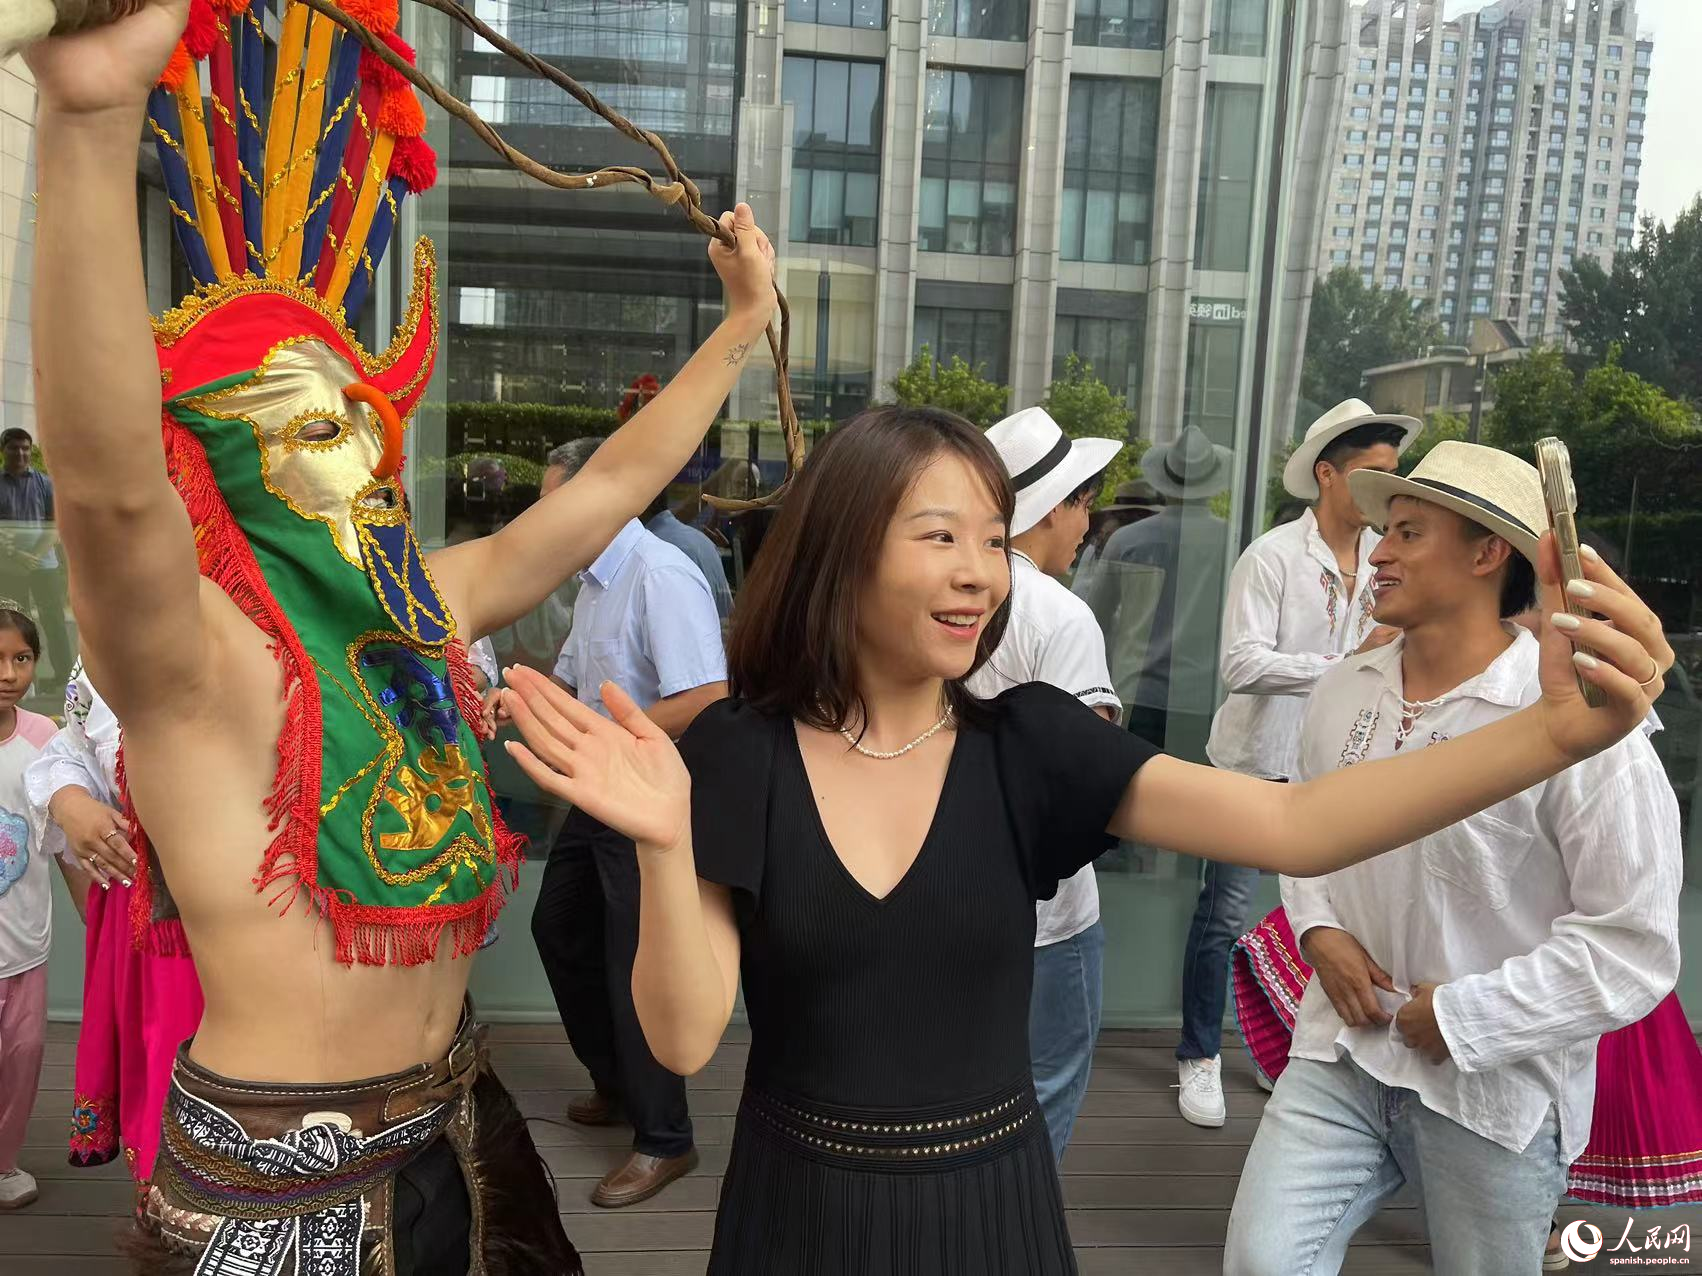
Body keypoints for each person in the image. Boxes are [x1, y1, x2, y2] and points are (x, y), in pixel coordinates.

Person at [496, 406, 1671, 1275]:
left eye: (994, 539)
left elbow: (1291, 821)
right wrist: (660, 837)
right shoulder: (741, 755)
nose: (976, 574)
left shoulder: (1032, 746)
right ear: (842, 548)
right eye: (939, 537)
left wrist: (1553, 737)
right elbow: (686, 1035)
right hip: (800, 1211)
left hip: (993, 1208)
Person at [25, 1, 775, 1268]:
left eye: (367, 433)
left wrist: (742, 328)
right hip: (280, 1192)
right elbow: (104, 484)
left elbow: (599, 497)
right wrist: (92, 121)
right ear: (219, 471)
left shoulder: (422, 601)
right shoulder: (193, 657)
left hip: (458, 1125)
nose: (369, 465)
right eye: (321, 434)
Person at [1223, 442, 1683, 1276]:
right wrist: (1317, 927)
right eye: (1381, 531)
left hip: (1493, 1088)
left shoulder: (1583, 723)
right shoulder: (1343, 687)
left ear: (1485, 554)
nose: (1379, 552)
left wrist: (1466, 1018)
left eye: (1406, 532)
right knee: (1263, 1261)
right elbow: (1306, 826)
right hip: (1343, 1051)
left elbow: (1635, 944)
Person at [1175, 401, 1418, 1129]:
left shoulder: (1387, 560)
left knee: (1324, 921)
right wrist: (1342, 666)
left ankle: (1281, 1049)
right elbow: (1239, 663)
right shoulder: (1273, 555)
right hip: (1253, 765)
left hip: (1335, 771)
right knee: (1223, 916)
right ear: (1326, 474)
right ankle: (1198, 1056)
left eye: (1393, 478)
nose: (1386, 493)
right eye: (1374, 476)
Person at [534, 439, 729, 1207]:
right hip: (599, 793)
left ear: (606, 496)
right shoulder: (592, 579)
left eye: (556, 500)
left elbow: (707, 697)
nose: (544, 517)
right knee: (558, 931)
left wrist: (608, 740)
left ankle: (664, 1140)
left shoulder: (659, 573)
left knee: (633, 966)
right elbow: (576, 677)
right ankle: (616, 1082)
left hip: (646, 799)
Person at [963, 407, 1122, 1165]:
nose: (1087, 524)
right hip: (1046, 915)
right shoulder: (1059, 614)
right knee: (1047, 1086)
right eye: (1084, 502)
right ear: (1055, 506)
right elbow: (1083, 778)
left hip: (942, 898)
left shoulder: (944, 594)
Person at [24, 664, 205, 1182]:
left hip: (257, 909)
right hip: (146, 912)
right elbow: (74, 750)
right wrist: (71, 801)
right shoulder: (106, 658)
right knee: (158, 1067)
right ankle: (161, 1205)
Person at [1086, 424, 1232, 755]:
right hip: (1204, 698)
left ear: (1163, 482)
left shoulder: (1127, 540)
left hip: (1137, 692)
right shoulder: (1234, 542)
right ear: (1213, 485)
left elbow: (1096, 619)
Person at [0, 606, 62, 1209]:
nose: (8, 672)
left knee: (20, 1057)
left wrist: (102, 921)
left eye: (20, 659)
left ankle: (4, 1164)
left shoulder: (45, 739)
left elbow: (68, 845)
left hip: (24, 946)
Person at [0, 428, 72, 684]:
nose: (20, 453)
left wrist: (34, 555)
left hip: (45, 566)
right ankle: (19, 680)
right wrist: (16, 555)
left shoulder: (45, 483)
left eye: (25, 448)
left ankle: (64, 678)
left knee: (55, 624)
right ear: (4, 450)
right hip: (9, 569)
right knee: (14, 624)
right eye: (14, 447)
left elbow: (57, 525)